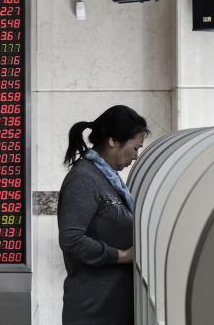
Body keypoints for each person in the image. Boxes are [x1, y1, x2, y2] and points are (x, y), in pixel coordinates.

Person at [57, 105, 149, 325]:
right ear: (113, 141)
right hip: (94, 311)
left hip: (113, 307)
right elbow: (71, 240)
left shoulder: (108, 180)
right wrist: (122, 256)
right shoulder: (84, 179)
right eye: (135, 148)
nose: (136, 157)